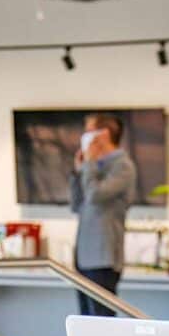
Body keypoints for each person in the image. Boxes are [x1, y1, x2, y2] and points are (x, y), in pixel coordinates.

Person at [69, 113, 137, 316]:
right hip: (84, 257)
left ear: (104, 134)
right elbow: (77, 205)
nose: (85, 137)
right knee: (85, 321)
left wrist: (89, 165)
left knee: (102, 319)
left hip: (103, 258)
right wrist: (78, 171)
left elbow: (95, 195)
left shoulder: (122, 166)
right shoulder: (93, 167)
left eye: (89, 131)